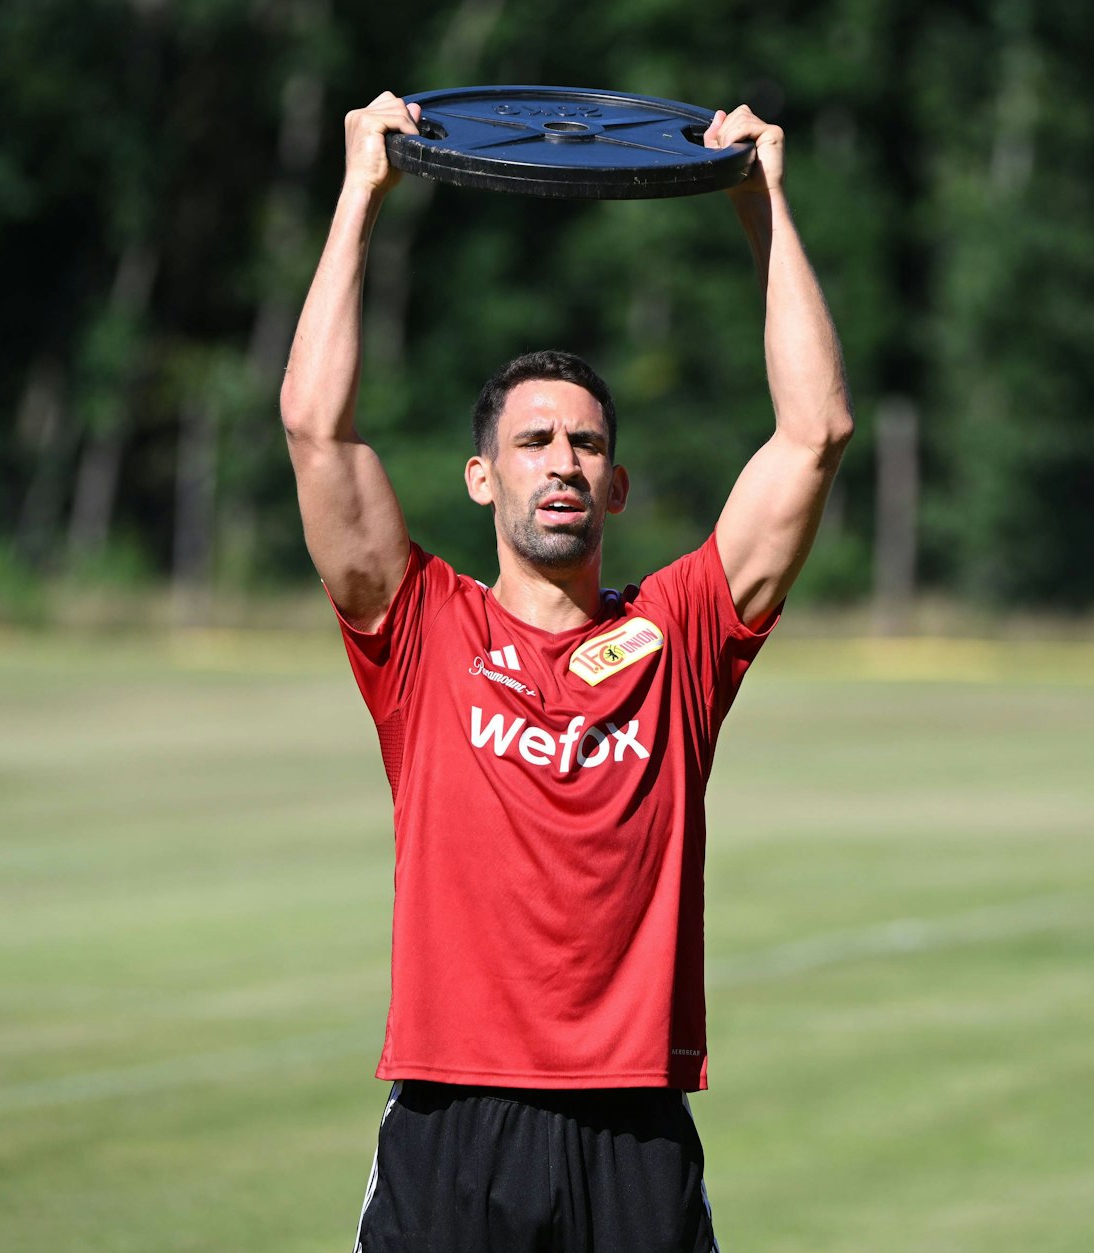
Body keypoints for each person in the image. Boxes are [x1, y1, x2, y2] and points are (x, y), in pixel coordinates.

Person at [279, 89, 852, 1253]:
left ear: (617, 484)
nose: (561, 463)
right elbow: (316, 431)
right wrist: (359, 193)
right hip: (452, 1112)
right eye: (532, 442)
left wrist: (761, 206)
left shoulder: (682, 632)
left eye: (585, 443)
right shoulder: (421, 626)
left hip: (632, 1120)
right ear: (480, 477)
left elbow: (814, 434)